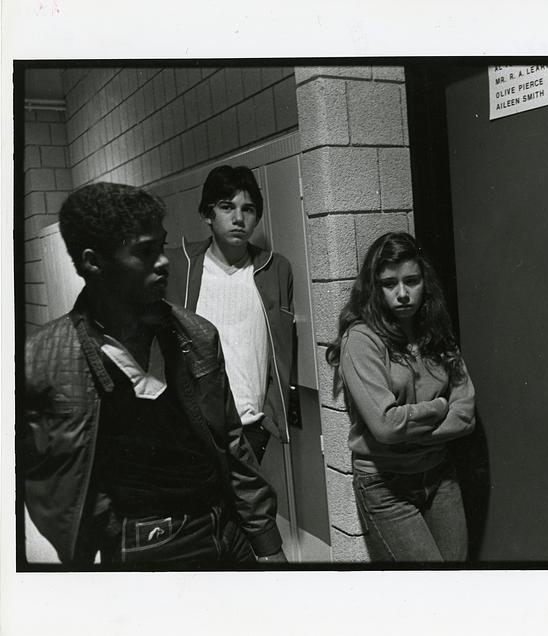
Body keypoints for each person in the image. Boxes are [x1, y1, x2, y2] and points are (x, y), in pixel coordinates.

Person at [23, 182, 286, 568]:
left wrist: (265, 541)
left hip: (226, 529)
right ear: (94, 262)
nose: (163, 262)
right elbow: (36, 475)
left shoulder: (197, 335)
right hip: (142, 544)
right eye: (145, 252)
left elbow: (231, 445)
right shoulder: (43, 360)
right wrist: (101, 533)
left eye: (160, 246)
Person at [326, 232, 476, 562]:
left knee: (457, 584)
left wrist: (411, 433)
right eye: (389, 284)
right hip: (386, 485)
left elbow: (465, 413)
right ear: (374, 287)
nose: (403, 294)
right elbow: (386, 427)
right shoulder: (361, 339)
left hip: (439, 474)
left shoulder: (434, 329)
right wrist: (439, 407)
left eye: (412, 281)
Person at [165, 165, 294, 463]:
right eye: (227, 207)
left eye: (248, 209)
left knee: (247, 508)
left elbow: (284, 348)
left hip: (252, 426)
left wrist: (270, 421)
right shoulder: (179, 266)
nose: (238, 219)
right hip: (194, 429)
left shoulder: (275, 269)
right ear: (207, 214)